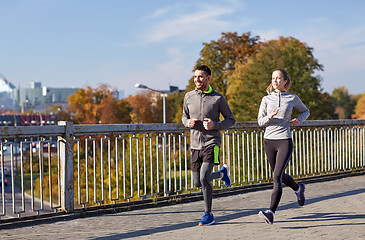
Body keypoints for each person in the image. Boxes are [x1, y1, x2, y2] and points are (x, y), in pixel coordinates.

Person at [182, 64, 236, 226]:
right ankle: (221, 174)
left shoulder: (218, 98)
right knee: (197, 182)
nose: (197, 80)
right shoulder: (188, 96)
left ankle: (209, 214)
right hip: (195, 144)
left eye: (200, 77)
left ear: (208, 78)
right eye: (195, 77)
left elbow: (231, 120)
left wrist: (215, 125)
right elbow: (183, 117)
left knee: (204, 177)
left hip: (213, 143)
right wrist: (187, 122)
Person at [257, 68, 310, 225]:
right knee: (278, 175)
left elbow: (306, 111)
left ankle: (271, 212)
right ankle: (298, 188)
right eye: (273, 78)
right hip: (269, 140)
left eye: (278, 78)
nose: (275, 81)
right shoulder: (266, 99)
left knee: (276, 177)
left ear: (285, 81)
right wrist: (269, 117)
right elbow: (259, 121)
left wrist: (299, 120)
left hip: (284, 140)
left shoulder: (292, 98)